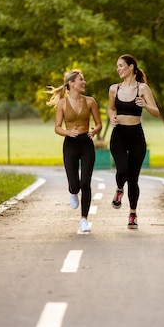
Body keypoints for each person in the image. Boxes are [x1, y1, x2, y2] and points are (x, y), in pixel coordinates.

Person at [108, 54, 160, 229]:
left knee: (134, 178)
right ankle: (119, 189)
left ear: (131, 67)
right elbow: (110, 108)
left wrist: (144, 105)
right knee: (122, 169)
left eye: (121, 66)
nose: (118, 69)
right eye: (117, 66)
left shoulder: (142, 88)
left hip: (137, 136)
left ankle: (132, 214)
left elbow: (156, 112)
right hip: (119, 135)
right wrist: (111, 118)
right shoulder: (114, 89)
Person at [46, 69, 102, 233]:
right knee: (75, 184)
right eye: (81, 80)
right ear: (71, 83)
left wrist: (94, 131)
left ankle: (84, 219)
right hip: (70, 144)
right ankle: (72, 191)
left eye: (83, 80)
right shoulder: (62, 104)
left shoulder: (90, 101)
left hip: (86, 143)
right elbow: (57, 127)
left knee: (86, 182)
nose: (84, 82)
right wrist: (67, 132)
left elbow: (99, 123)